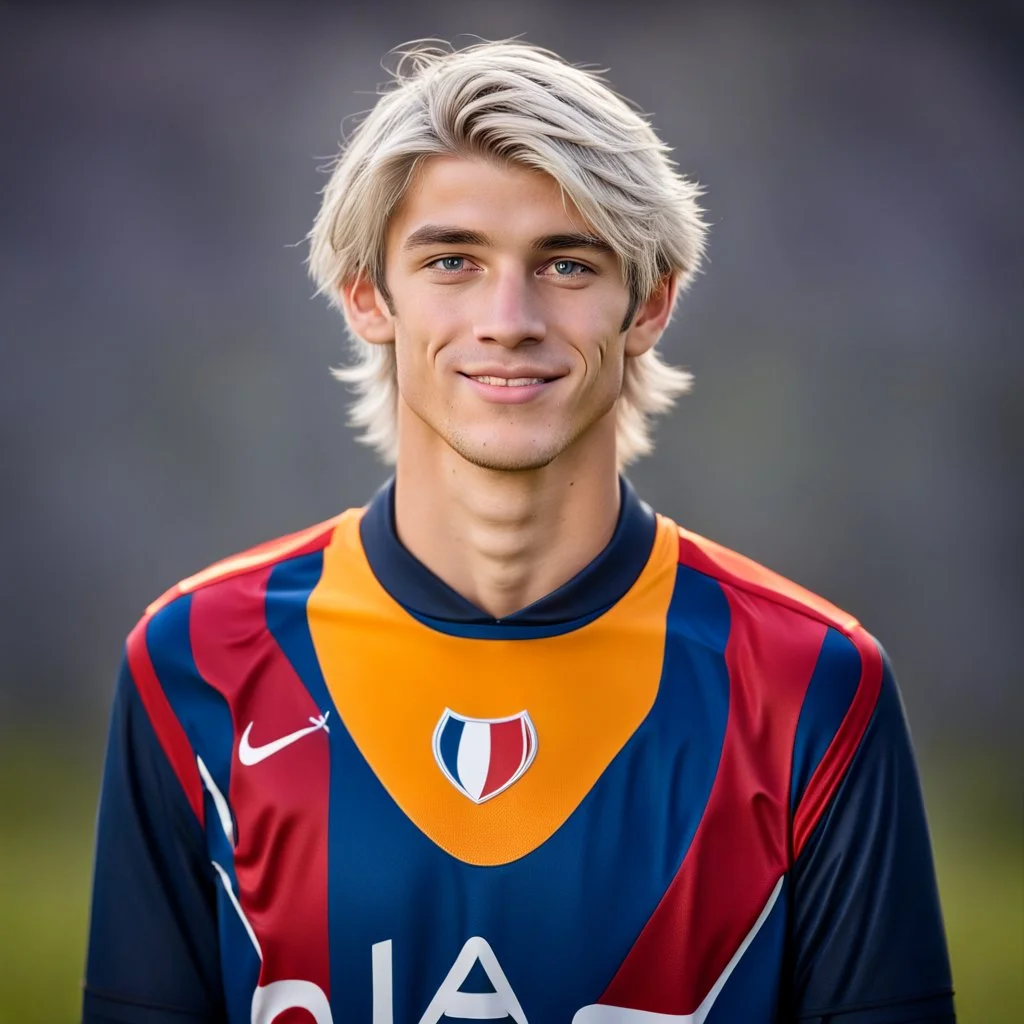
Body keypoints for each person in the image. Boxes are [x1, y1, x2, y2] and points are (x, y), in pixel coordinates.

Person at [82, 38, 956, 1024]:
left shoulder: (810, 687)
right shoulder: (197, 661)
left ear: (649, 303)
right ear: (368, 296)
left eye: (566, 262)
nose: (510, 317)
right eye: (452, 259)